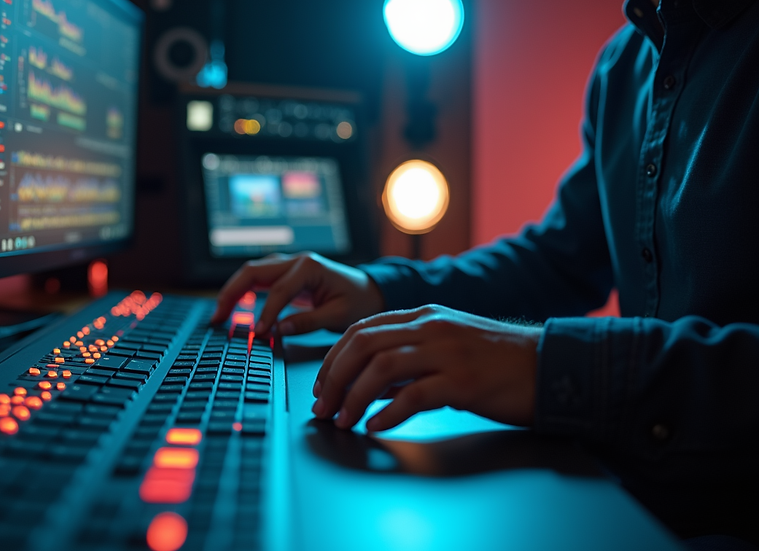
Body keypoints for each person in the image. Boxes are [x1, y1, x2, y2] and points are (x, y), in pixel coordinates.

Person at [211, 0, 758, 547]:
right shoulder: (626, 60)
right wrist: (379, 288)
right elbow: (558, 262)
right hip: (637, 493)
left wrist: (546, 364)